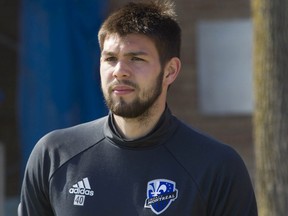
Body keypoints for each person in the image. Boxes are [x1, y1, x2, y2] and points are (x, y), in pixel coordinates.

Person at [18, 0, 258, 215]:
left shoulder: (216, 166)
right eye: (110, 58)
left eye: (136, 58)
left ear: (170, 71)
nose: (119, 70)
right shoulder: (54, 155)